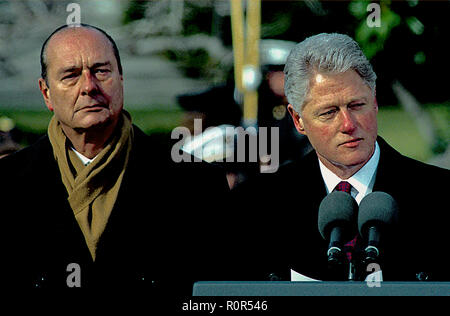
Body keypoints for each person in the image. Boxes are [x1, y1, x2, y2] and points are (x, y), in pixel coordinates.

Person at [0, 24, 230, 294]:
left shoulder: (195, 183)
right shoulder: (7, 184)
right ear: (46, 92)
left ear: (121, 78)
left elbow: (219, 296)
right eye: (71, 75)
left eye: (101, 71)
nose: (88, 86)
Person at [232, 33, 450, 282]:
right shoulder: (255, 207)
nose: (348, 124)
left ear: (375, 101)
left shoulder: (441, 197)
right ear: (298, 120)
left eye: (357, 105)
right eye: (329, 112)